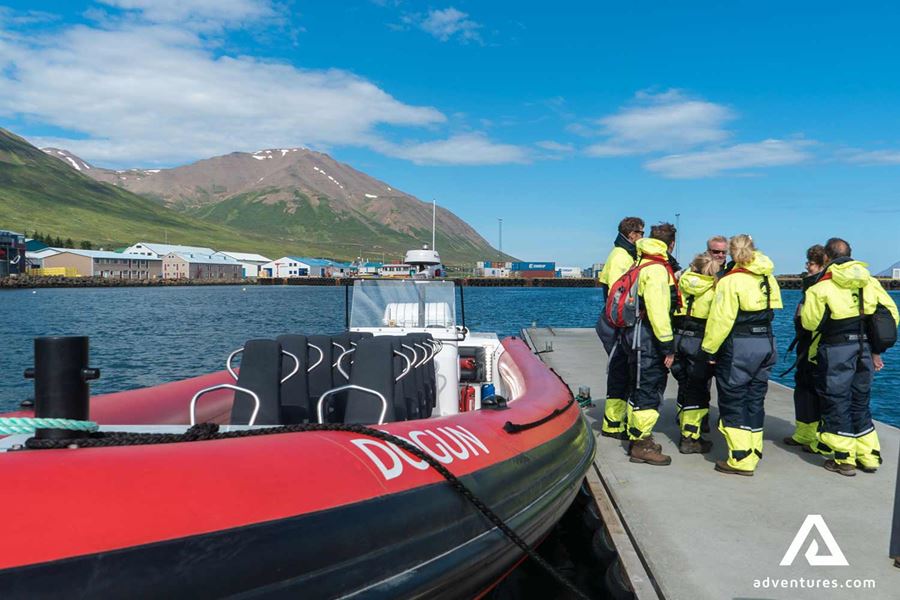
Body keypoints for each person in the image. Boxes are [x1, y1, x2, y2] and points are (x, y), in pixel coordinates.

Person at [800, 238, 899, 476]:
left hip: (836, 349)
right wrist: (875, 347)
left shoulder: (820, 287)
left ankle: (844, 458)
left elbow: (810, 322)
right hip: (864, 347)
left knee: (837, 399)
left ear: (826, 257)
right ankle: (869, 455)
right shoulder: (870, 282)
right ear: (851, 253)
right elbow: (892, 315)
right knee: (860, 400)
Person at [696, 234, 782, 476]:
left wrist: (710, 350)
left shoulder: (731, 281)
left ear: (733, 253)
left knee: (733, 398)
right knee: (755, 398)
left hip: (740, 345)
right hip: (766, 340)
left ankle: (741, 458)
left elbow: (721, 320)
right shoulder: (767, 277)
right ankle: (754, 449)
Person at [625, 222, 679, 466]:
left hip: (636, 335)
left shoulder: (640, 261)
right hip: (648, 338)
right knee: (649, 386)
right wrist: (668, 346)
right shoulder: (657, 269)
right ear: (672, 244)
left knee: (639, 386)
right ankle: (641, 444)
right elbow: (658, 312)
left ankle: (637, 436)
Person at [596, 216, 644, 439]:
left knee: (622, 371)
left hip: (615, 322)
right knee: (619, 371)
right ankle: (613, 424)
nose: (643, 238)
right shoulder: (621, 257)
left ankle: (616, 421)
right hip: (615, 324)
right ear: (632, 234)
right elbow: (619, 296)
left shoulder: (624, 254)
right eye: (641, 233)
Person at [671, 252, 718, 454]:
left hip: (678, 337)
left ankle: (684, 426)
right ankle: (690, 436)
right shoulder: (713, 289)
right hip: (698, 340)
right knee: (697, 390)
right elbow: (718, 319)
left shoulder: (680, 282)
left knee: (684, 383)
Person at [784, 244, 827, 448]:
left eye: (810, 263)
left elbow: (810, 319)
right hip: (810, 344)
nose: (807, 267)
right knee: (806, 387)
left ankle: (814, 436)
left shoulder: (818, 286)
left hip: (814, 345)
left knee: (811, 388)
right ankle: (805, 434)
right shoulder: (813, 285)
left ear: (820, 264)